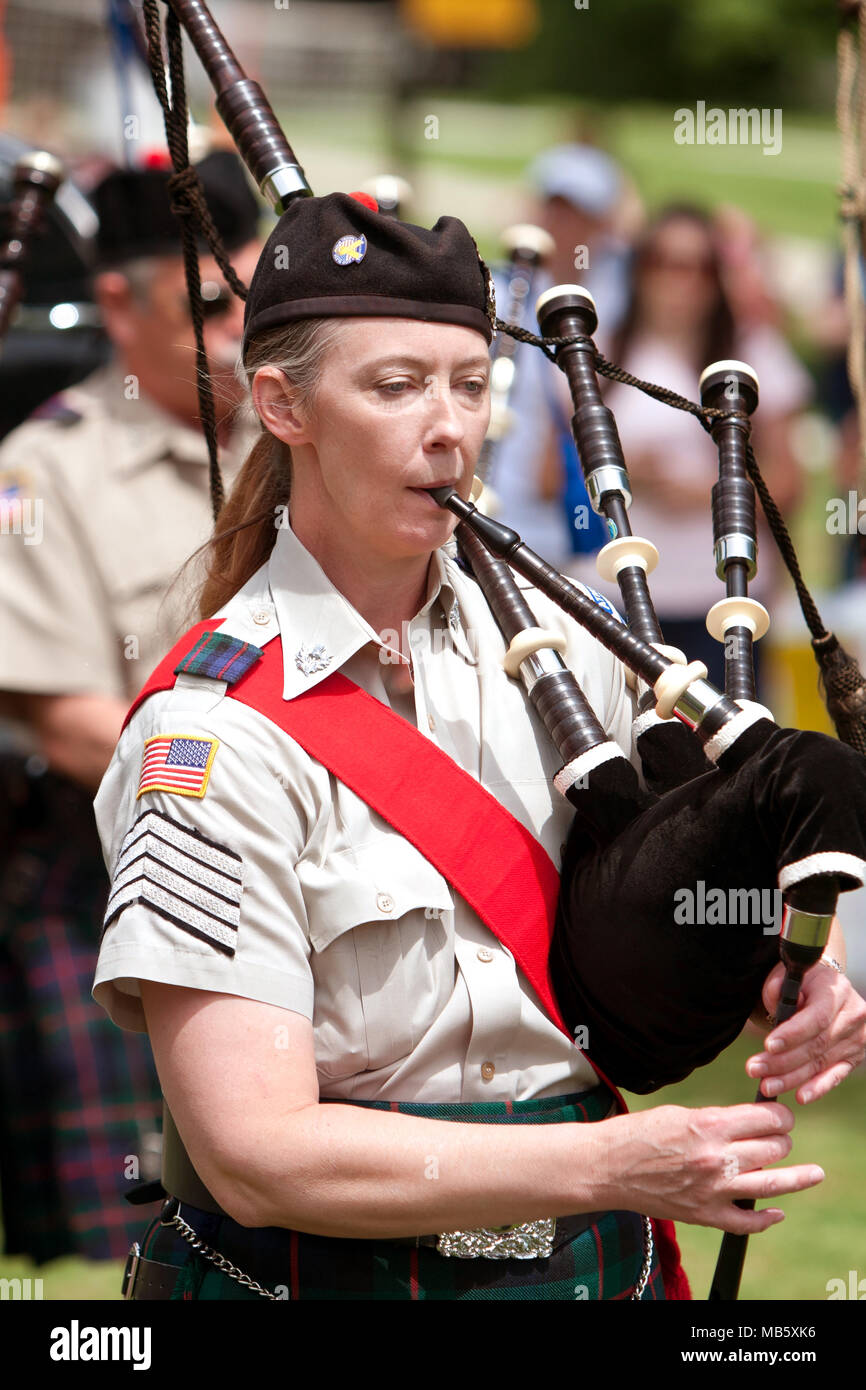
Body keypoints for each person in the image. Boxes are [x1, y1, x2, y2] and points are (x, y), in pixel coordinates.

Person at [92, 191, 865, 1301]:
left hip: (584, 1263)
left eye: (467, 382)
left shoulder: (576, 656)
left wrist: (793, 975)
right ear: (281, 405)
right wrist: (611, 1163)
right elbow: (254, 1153)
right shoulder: (209, 735)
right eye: (395, 386)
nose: (447, 424)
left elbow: (674, 883)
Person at [0, 149, 262, 1264]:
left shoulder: (312, 444)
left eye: (253, 301)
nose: (241, 336)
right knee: (157, 1241)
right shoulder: (39, 476)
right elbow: (66, 720)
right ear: (117, 299)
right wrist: (279, 791)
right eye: (207, 306)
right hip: (123, 883)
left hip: (344, 869)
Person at [588, 203, 811, 691]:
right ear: (638, 269)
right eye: (662, 261)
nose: (677, 280)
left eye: (696, 267)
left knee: (727, 755)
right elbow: (554, 476)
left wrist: (712, 495)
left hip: (722, 603)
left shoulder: (753, 350)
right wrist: (625, 474)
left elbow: (789, 484)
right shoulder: (600, 347)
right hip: (615, 594)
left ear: (717, 277)